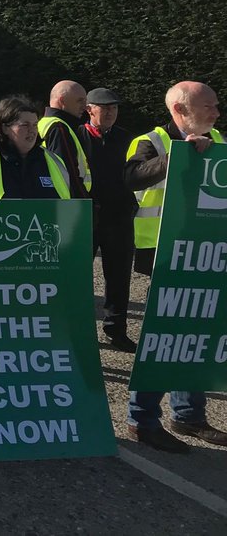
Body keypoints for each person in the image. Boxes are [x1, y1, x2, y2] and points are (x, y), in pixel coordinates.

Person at [124, 81, 227, 452]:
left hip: (207, 251)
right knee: (162, 335)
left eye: (216, 106)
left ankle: (188, 416)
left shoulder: (217, 139)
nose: (217, 112)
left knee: (195, 333)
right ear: (181, 111)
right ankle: (142, 419)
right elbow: (132, 177)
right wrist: (178, 156)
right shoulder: (150, 140)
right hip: (162, 252)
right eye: (210, 106)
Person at [82, 87, 137, 352]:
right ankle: (78, 329)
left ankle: (116, 330)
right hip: (85, 218)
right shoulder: (77, 137)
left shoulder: (127, 138)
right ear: (89, 109)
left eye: (114, 108)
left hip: (118, 216)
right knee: (78, 276)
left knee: (119, 277)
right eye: (105, 108)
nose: (111, 112)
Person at [39, 80, 92, 198]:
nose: (85, 106)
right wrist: (85, 203)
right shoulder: (59, 128)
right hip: (67, 203)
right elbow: (69, 172)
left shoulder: (42, 123)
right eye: (80, 101)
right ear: (62, 101)